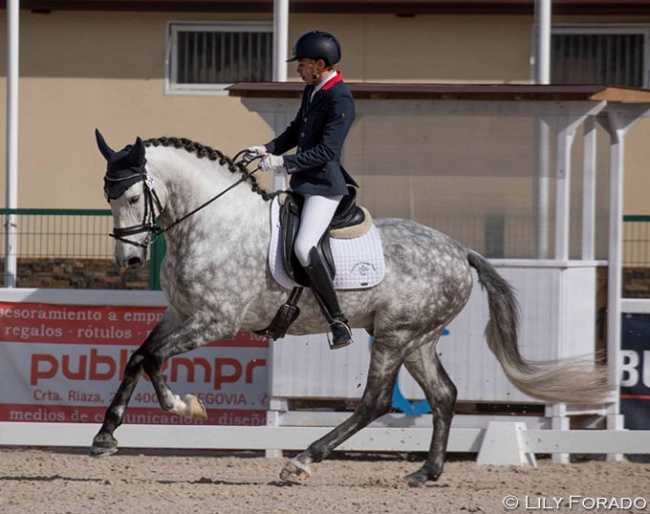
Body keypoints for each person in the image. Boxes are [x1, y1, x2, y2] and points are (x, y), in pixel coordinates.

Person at [244, 30, 356, 350]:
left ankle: (338, 321)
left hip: (323, 186)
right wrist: (265, 148)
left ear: (320, 64)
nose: (298, 69)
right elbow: (296, 130)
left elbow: (325, 152)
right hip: (303, 183)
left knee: (305, 247)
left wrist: (281, 163)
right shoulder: (313, 90)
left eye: (303, 64)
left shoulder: (340, 98)